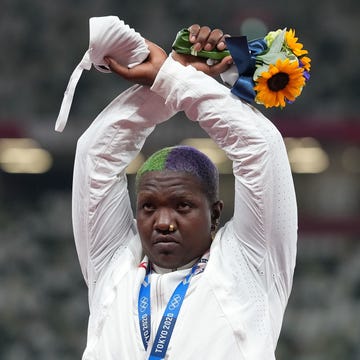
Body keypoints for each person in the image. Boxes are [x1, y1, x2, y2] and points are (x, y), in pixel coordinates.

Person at [72, 24, 298, 359]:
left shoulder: (250, 264)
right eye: (149, 207)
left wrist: (172, 78)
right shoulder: (112, 264)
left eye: (182, 206)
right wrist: (170, 77)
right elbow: (96, 155)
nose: (164, 222)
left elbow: (260, 148)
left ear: (215, 214)